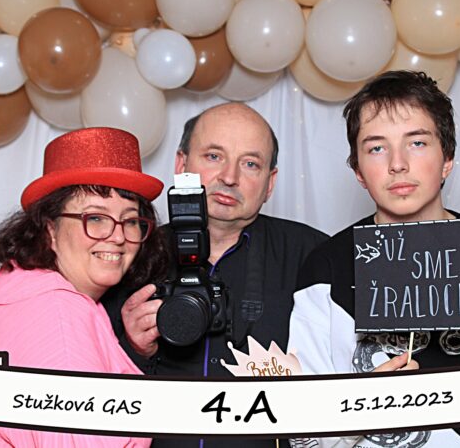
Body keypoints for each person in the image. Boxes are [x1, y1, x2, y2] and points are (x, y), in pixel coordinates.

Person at [288, 71, 460, 447]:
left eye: (417, 143)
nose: (398, 163)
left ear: (447, 158)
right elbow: (302, 432)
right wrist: (361, 407)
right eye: (377, 148)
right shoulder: (326, 268)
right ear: (359, 171)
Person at [104, 102, 328, 448]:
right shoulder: (130, 253)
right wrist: (131, 349)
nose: (229, 177)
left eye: (250, 164)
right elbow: (88, 388)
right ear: (181, 165)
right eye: (213, 156)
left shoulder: (314, 257)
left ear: (270, 183)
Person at [0, 127, 169, 447]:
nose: (117, 236)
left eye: (130, 220)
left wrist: (135, 352)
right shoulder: (58, 315)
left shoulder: (30, 289)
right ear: (50, 230)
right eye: (95, 218)